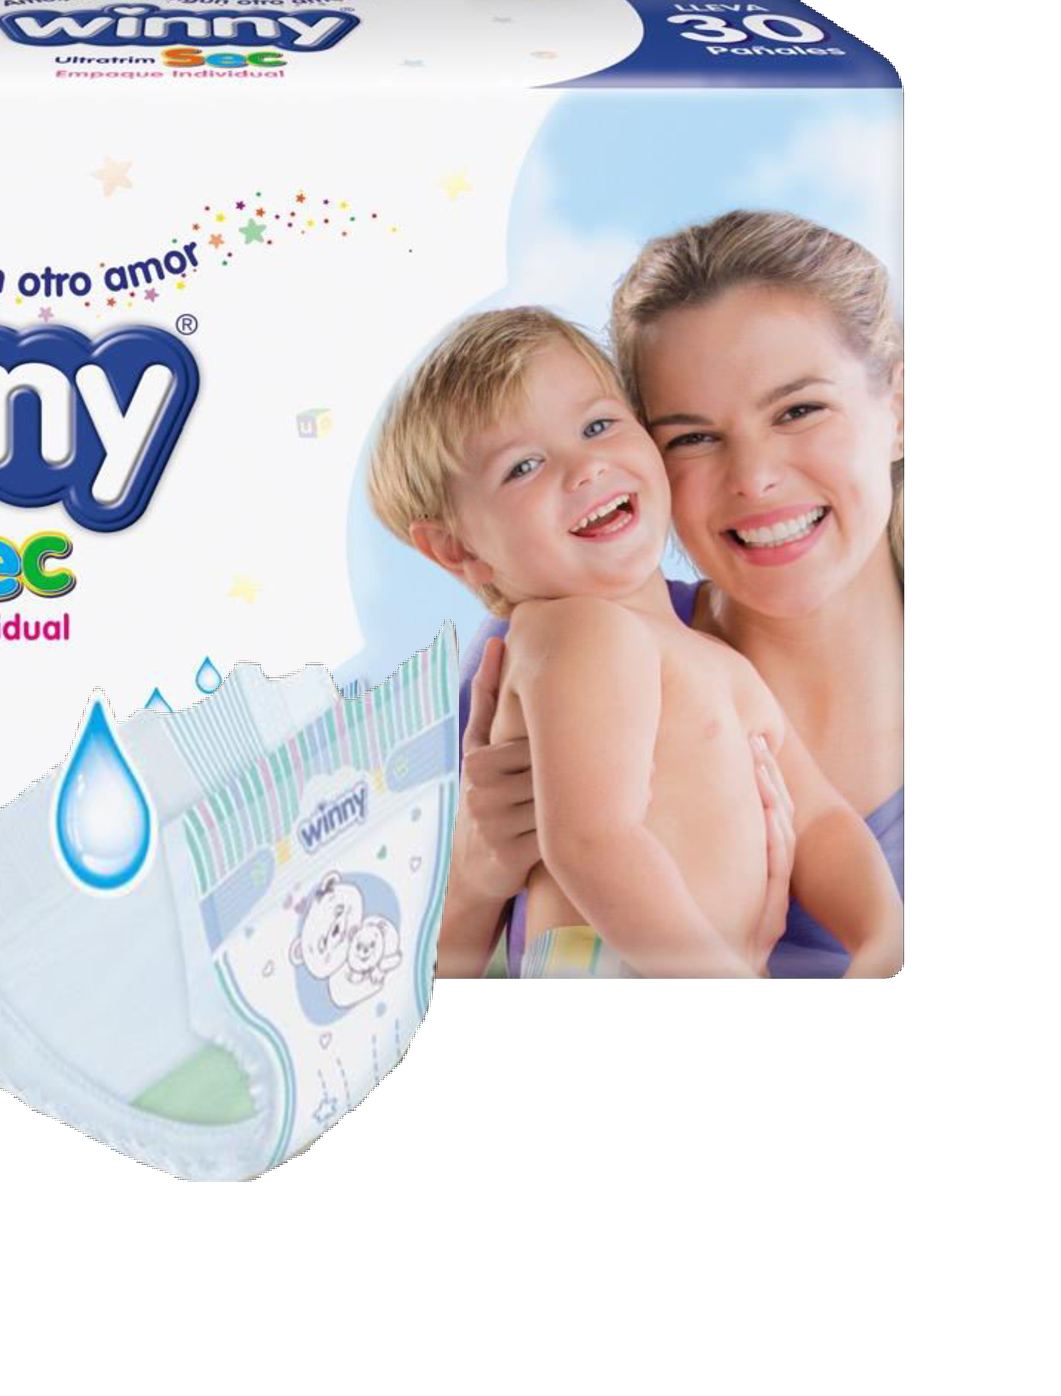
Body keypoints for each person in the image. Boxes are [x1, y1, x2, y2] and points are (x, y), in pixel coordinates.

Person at [366, 306, 898, 977]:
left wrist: (881, 937)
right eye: (523, 466)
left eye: (597, 426)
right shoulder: (577, 630)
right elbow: (593, 842)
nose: (584, 467)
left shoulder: (710, 658)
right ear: (457, 549)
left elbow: (819, 820)